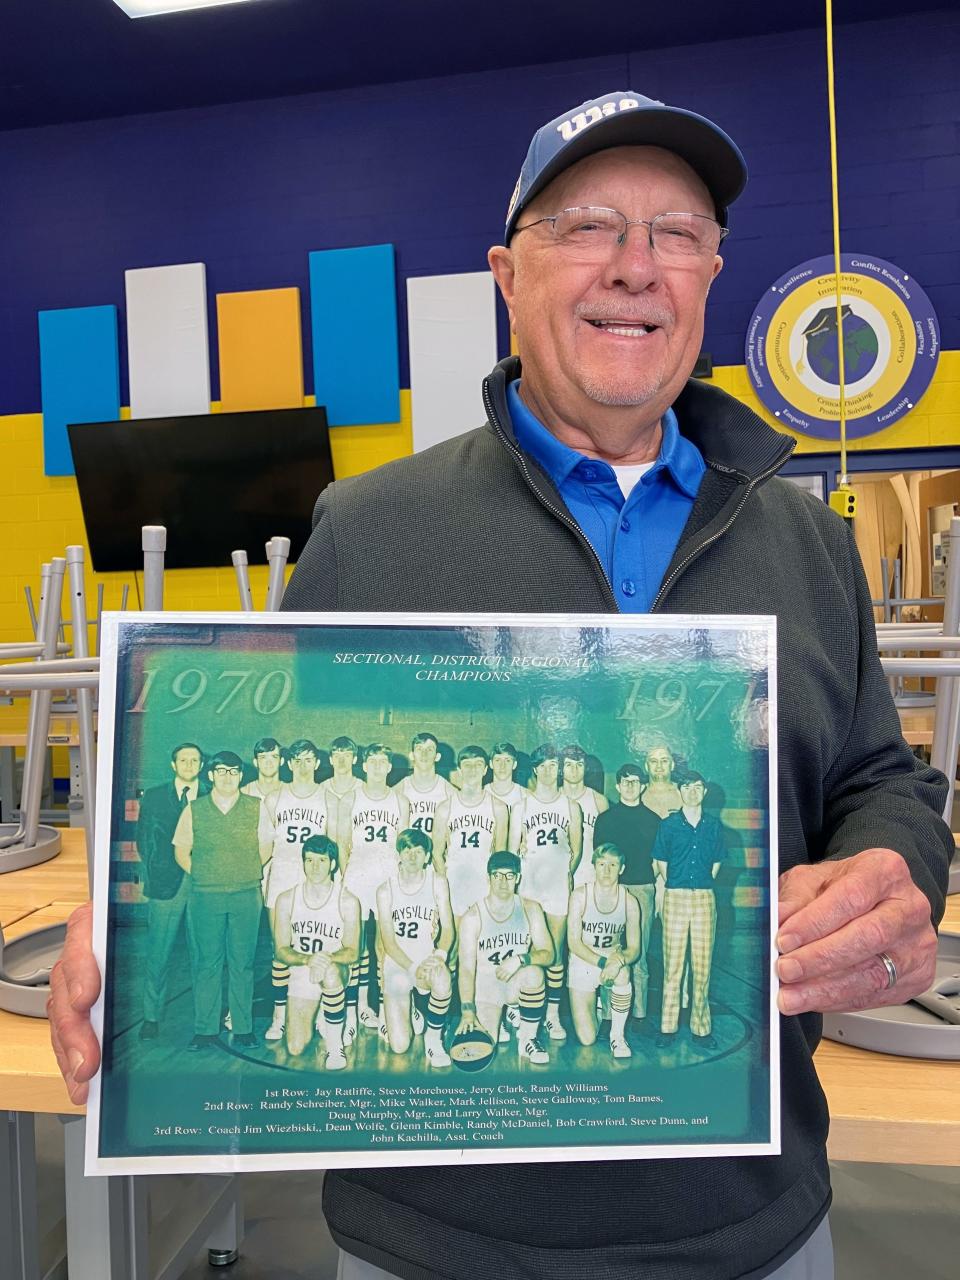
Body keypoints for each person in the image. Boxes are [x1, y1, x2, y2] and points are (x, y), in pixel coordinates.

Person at [52, 89, 953, 1280]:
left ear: (710, 274)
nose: (637, 267)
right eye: (588, 226)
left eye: (676, 233)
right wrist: (130, 898)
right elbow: (250, 774)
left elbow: (881, 777)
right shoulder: (368, 530)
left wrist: (902, 868)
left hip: (751, 1220)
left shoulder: (806, 537)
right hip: (434, 1236)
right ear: (506, 275)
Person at [172, 750, 267, 1050]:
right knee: (207, 964)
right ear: (210, 775)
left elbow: (267, 847)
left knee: (243, 963)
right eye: (222, 771)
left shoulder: (257, 807)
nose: (228, 777)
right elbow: (181, 850)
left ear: (241, 775)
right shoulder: (193, 809)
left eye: (234, 771)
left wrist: (243, 873)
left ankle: (243, 1028)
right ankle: (205, 1030)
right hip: (206, 897)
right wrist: (205, 874)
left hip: (245, 894)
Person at [259, 738, 335, 1042]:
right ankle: (279, 1016)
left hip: (317, 882)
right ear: (288, 764)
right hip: (281, 879)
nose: (303, 766)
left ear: (318, 763)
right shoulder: (274, 799)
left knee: (322, 946)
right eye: (297, 760)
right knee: (282, 950)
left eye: (309, 760)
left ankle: (318, 1013)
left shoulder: (327, 798)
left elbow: (335, 845)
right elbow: (265, 846)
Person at [507, 742, 583, 1041]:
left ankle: (551, 1015)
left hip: (556, 889)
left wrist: (564, 870)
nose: (550, 771)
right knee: (523, 949)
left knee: (555, 955)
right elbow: (512, 849)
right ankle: (515, 1005)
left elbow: (576, 850)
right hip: (528, 887)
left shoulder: (570, 806)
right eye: (545, 766)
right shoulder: (521, 806)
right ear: (536, 769)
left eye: (555, 765)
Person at [135, 742, 206, 1041]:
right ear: (173, 765)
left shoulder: (214, 794)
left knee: (206, 956)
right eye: (183, 760)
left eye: (195, 760)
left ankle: (206, 1021)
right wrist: (155, 875)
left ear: (202, 765)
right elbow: (142, 841)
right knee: (158, 956)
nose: (189, 765)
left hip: (204, 884)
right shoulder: (153, 797)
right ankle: (151, 1017)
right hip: (166, 887)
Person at [456, 850, 554, 1063]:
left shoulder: (531, 908)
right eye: (497, 875)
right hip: (486, 988)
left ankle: (528, 1038)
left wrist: (521, 959)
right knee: (480, 1051)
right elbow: (465, 969)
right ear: (488, 877)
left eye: (509, 875)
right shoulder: (473, 916)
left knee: (534, 973)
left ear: (518, 878)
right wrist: (467, 1010)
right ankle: (503, 1015)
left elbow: (549, 954)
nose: (502, 881)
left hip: (515, 982)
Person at [273, 833, 361, 1069]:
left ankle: (335, 1048)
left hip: (336, 969)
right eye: (309, 860)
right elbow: (280, 950)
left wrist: (325, 960)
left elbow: (353, 952)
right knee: (295, 1047)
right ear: (302, 863)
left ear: (333, 864)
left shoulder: (348, 900)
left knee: (330, 973)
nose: (314, 866)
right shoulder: (286, 899)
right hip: (304, 968)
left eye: (321, 860)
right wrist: (307, 959)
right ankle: (323, 1012)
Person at [652, 770, 724, 1048]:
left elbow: (716, 863)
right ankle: (667, 1028)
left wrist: (700, 886)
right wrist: (679, 885)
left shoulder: (714, 826)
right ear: (679, 791)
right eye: (687, 787)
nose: (692, 792)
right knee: (673, 966)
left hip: (704, 897)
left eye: (698, 787)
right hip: (676, 896)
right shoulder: (669, 825)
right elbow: (661, 862)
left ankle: (701, 1029)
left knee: (702, 967)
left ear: (704, 792)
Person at [341, 743, 410, 1028]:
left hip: (388, 877)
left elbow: (404, 847)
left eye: (384, 761)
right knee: (356, 948)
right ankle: (354, 1010)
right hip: (357, 877)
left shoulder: (401, 801)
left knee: (385, 947)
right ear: (364, 766)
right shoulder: (350, 799)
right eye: (373, 761)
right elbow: (341, 844)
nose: (379, 766)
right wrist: (346, 880)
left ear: (390, 767)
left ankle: (384, 1012)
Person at [376, 827, 454, 1067]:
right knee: (400, 1047)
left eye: (418, 852)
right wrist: (412, 969)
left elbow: (449, 929)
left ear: (428, 856)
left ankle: (433, 1040)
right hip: (398, 963)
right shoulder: (385, 889)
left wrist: (439, 956)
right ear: (398, 854)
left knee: (442, 978)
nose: (412, 857)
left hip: (426, 957)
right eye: (407, 851)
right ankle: (409, 1009)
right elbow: (388, 943)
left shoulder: (438, 882)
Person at [593, 761, 661, 1023]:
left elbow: (657, 862)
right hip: (612, 890)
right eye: (625, 781)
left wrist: (643, 886)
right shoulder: (606, 819)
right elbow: (599, 858)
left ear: (643, 786)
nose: (630, 786)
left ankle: (640, 1014)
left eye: (636, 781)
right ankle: (610, 1014)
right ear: (618, 785)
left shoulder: (653, 820)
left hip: (642, 889)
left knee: (639, 954)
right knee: (612, 952)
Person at [566, 841, 641, 1058]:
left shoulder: (630, 901)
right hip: (584, 960)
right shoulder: (580, 896)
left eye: (613, 865)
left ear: (622, 868)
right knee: (587, 1039)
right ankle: (598, 1006)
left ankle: (617, 1037)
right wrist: (603, 963)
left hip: (611, 958)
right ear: (594, 866)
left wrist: (617, 961)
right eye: (601, 864)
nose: (606, 870)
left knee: (623, 972)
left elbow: (635, 948)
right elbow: (574, 943)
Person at [433, 745, 508, 920]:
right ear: (459, 769)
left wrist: (494, 887)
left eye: (478, 764)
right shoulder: (445, 808)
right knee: (454, 941)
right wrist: (445, 885)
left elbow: (500, 854)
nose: (472, 769)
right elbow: (437, 854)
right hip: (455, 882)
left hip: (484, 883)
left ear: (485, 769)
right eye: (467, 764)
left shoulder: (498, 808)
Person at [560, 742, 609, 886]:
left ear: (586, 768)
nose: (574, 770)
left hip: (589, 876)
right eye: (569, 765)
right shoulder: (553, 797)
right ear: (561, 769)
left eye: (579, 765)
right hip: (557, 876)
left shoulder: (599, 801)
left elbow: (606, 846)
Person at [395, 731, 456, 837]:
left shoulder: (450, 792)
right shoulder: (398, 789)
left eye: (430, 749)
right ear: (412, 755)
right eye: (419, 749)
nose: (424, 754)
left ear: (437, 756)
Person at [641, 743, 683, 818]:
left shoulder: (684, 792)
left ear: (672, 765)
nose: (659, 766)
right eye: (653, 761)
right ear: (646, 766)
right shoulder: (637, 793)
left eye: (664, 761)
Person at [485, 740, 525, 811]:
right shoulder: (482, 793)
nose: (502, 766)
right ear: (491, 764)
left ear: (514, 764)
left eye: (507, 760)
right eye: (498, 760)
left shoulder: (525, 795)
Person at [240, 737, 283, 801]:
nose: (268, 762)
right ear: (255, 762)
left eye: (274, 757)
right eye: (263, 757)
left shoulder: (290, 791)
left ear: (281, 761)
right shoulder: (244, 792)